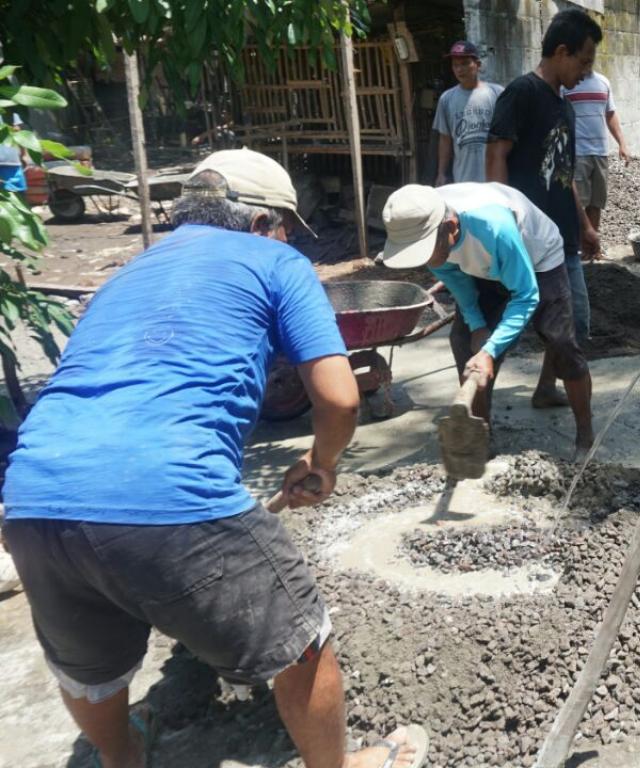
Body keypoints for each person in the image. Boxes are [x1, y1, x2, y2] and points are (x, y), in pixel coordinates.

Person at [0, 149, 428, 768]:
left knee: (89, 663)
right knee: (302, 638)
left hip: (34, 494)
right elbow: (339, 399)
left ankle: (123, 758)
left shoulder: (126, 272)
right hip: (165, 488)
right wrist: (323, 461)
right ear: (260, 223)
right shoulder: (275, 261)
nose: (286, 239)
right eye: (284, 226)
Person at [378, 183, 593, 457]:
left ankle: (585, 436)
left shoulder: (494, 227)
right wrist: (478, 326)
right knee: (464, 341)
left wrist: (491, 350)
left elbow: (526, 295)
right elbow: (458, 283)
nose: (426, 260)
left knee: (559, 339)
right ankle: (481, 437)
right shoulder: (424, 222)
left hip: (538, 257)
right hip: (484, 264)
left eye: (426, 251)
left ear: (452, 227)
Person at [486, 8, 600, 448]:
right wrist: (501, 228)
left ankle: (545, 388)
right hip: (519, 239)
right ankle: (481, 422)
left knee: (575, 326)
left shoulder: (564, 106)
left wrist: (586, 225)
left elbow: (564, 174)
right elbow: (495, 159)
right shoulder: (522, 93)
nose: (587, 73)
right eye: (584, 61)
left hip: (561, 239)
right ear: (561, 51)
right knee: (499, 330)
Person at [565, 67, 629, 245]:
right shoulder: (567, 85)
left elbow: (610, 114)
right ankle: (578, 247)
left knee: (596, 202)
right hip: (577, 153)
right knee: (578, 205)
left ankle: (592, 246)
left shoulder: (603, 82)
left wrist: (622, 143)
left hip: (600, 152)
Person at [433, 41, 503, 185]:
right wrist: (441, 173)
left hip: (494, 179)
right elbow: (445, 139)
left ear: (478, 64)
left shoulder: (496, 93)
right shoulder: (446, 99)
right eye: (455, 65)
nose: (460, 69)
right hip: (463, 179)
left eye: (465, 63)